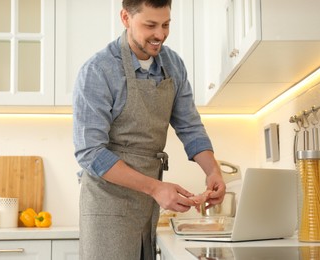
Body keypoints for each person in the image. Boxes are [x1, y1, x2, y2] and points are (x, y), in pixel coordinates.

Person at [72, 0, 226, 259]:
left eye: (166, 25)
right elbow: (90, 152)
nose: (160, 35)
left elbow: (190, 126)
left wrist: (213, 171)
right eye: (150, 25)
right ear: (125, 18)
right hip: (107, 204)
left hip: (148, 203)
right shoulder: (98, 71)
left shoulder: (173, 65)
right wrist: (155, 188)